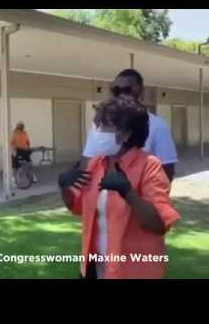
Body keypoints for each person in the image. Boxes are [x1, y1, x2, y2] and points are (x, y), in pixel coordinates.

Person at [58, 95, 180, 279]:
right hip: (94, 269)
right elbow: (77, 207)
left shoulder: (149, 165)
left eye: (105, 126)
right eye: (97, 125)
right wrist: (64, 187)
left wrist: (127, 192)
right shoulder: (95, 164)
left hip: (132, 272)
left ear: (126, 133)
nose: (98, 132)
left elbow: (159, 224)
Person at [83, 69, 178, 182]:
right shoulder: (100, 123)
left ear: (140, 90)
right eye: (116, 90)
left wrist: (132, 195)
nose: (121, 94)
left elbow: (167, 172)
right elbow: (86, 161)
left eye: (126, 89)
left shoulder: (158, 126)